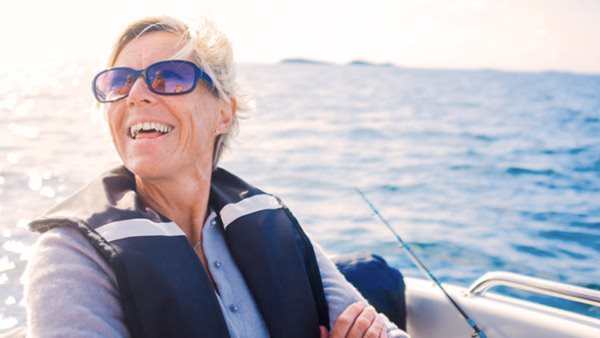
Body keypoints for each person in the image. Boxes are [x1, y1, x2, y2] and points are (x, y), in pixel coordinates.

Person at [24, 16, 409, 338]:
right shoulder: (70, 256)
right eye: (119, 82)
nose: (136, 94)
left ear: (224, 112)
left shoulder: (271, 224)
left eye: (170, 77)